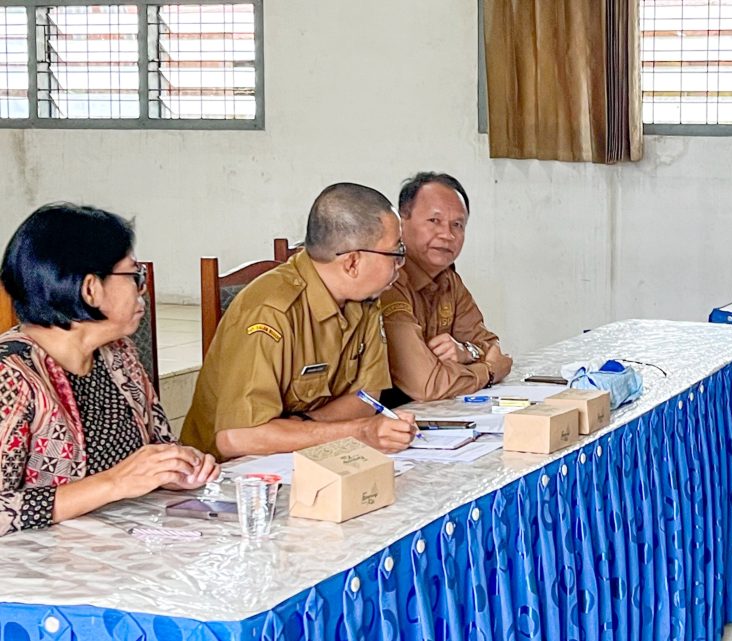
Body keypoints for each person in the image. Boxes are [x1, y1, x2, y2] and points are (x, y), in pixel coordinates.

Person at [0, 203, 218, 537]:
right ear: (90, 288)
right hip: (37, 576)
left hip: (119, 547)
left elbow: (159, 446)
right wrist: (114, 483)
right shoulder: (11, 375)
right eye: (134, 276)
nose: (142, 288)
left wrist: (175, 469)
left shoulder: (118, 354)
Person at [181, 183, 417, 461]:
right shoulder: (271, 310)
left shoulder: (364, 299)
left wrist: (302, 426)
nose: (400, 266)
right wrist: (359, 432)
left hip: (306, 457)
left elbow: (366, 397)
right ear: (352, 262)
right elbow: (237, 437)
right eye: (396, 253)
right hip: (231, 477)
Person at [379, 172, 512, 404]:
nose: (447, 235)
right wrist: (488, 372)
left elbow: (490, 344)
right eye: (434, 221)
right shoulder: (388, 279)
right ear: (401, 223)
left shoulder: (448, 279)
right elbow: (426, 385)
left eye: (457, 225)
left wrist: (466, 351)